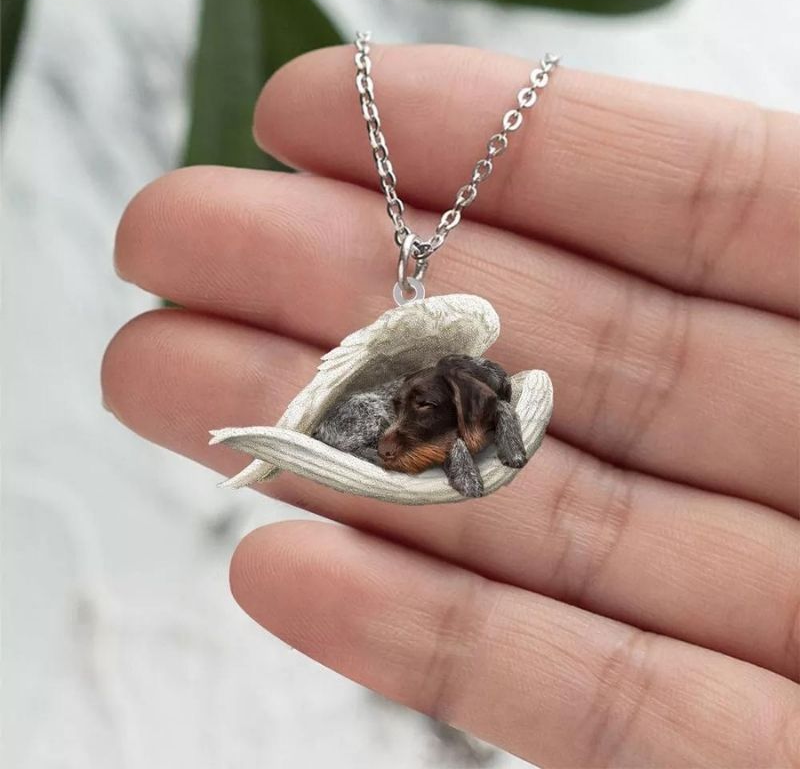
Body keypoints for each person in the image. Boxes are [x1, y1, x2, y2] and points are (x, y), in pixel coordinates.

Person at [102, 45, 800, 767]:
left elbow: (481, 454)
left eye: (423, 418)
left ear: (470, 409)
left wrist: (469, 444)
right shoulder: (402, 406)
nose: (398, 436)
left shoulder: (486, 404)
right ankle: (291, 444)